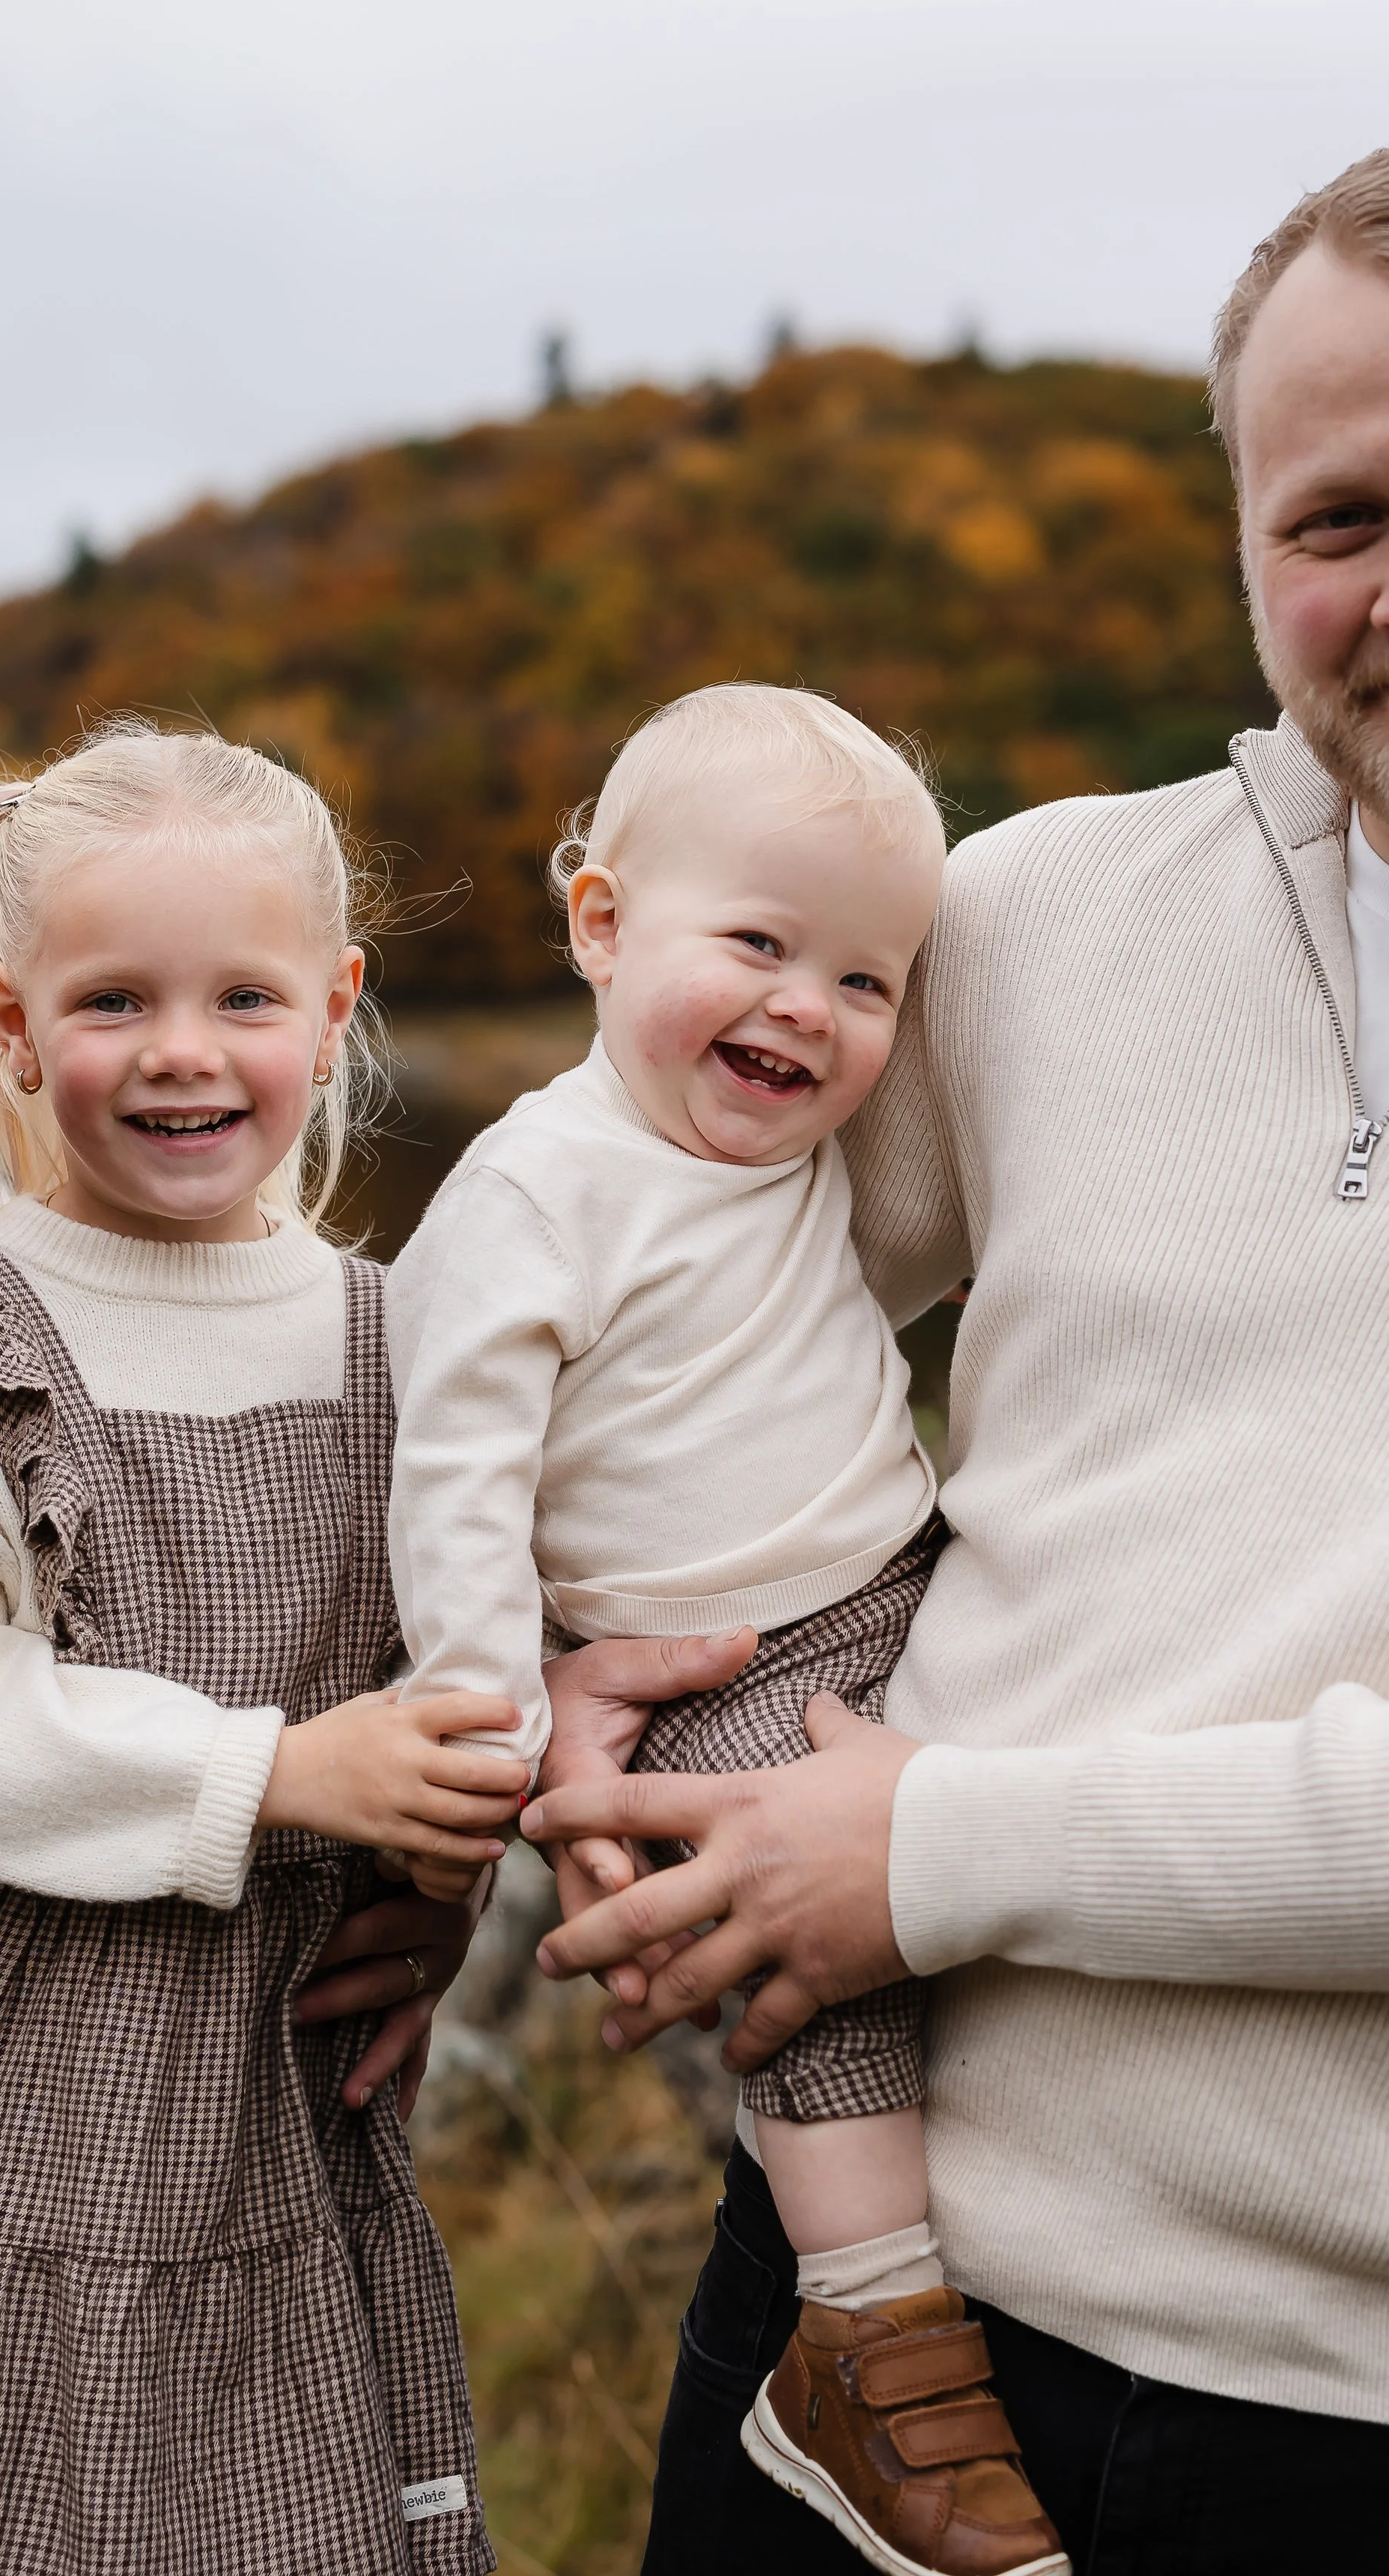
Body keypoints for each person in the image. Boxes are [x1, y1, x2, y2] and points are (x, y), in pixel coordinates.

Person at [521, 146, 1389, 2569]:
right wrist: (550, 1661)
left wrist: (927, 1851)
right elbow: (653, 1328)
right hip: (860, 2327)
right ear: (1239, 530)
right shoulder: (1027, 924)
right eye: (1340, 513)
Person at [0, 724, 526, 2575]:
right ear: (14, 1021)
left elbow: (498, 1632)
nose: (183, 1051)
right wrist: (279, 1774)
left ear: (336, 1006)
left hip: (293, 2116)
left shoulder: (403, 1335)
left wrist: (448, 1857)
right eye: (113, 999)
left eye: (244, 997)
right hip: (36, 2123)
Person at [387, 686, 1065, 2575]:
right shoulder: (533, 1191)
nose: (806, 1010)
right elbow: (451, 1477)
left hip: (903, 1578)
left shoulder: (790, 1157)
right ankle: (870, 2330)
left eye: (864, 981)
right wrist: (483, 1718)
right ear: (600, 926)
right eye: (753, 945)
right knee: (811, 1987)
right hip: (713, 1665)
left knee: (985, 1857)